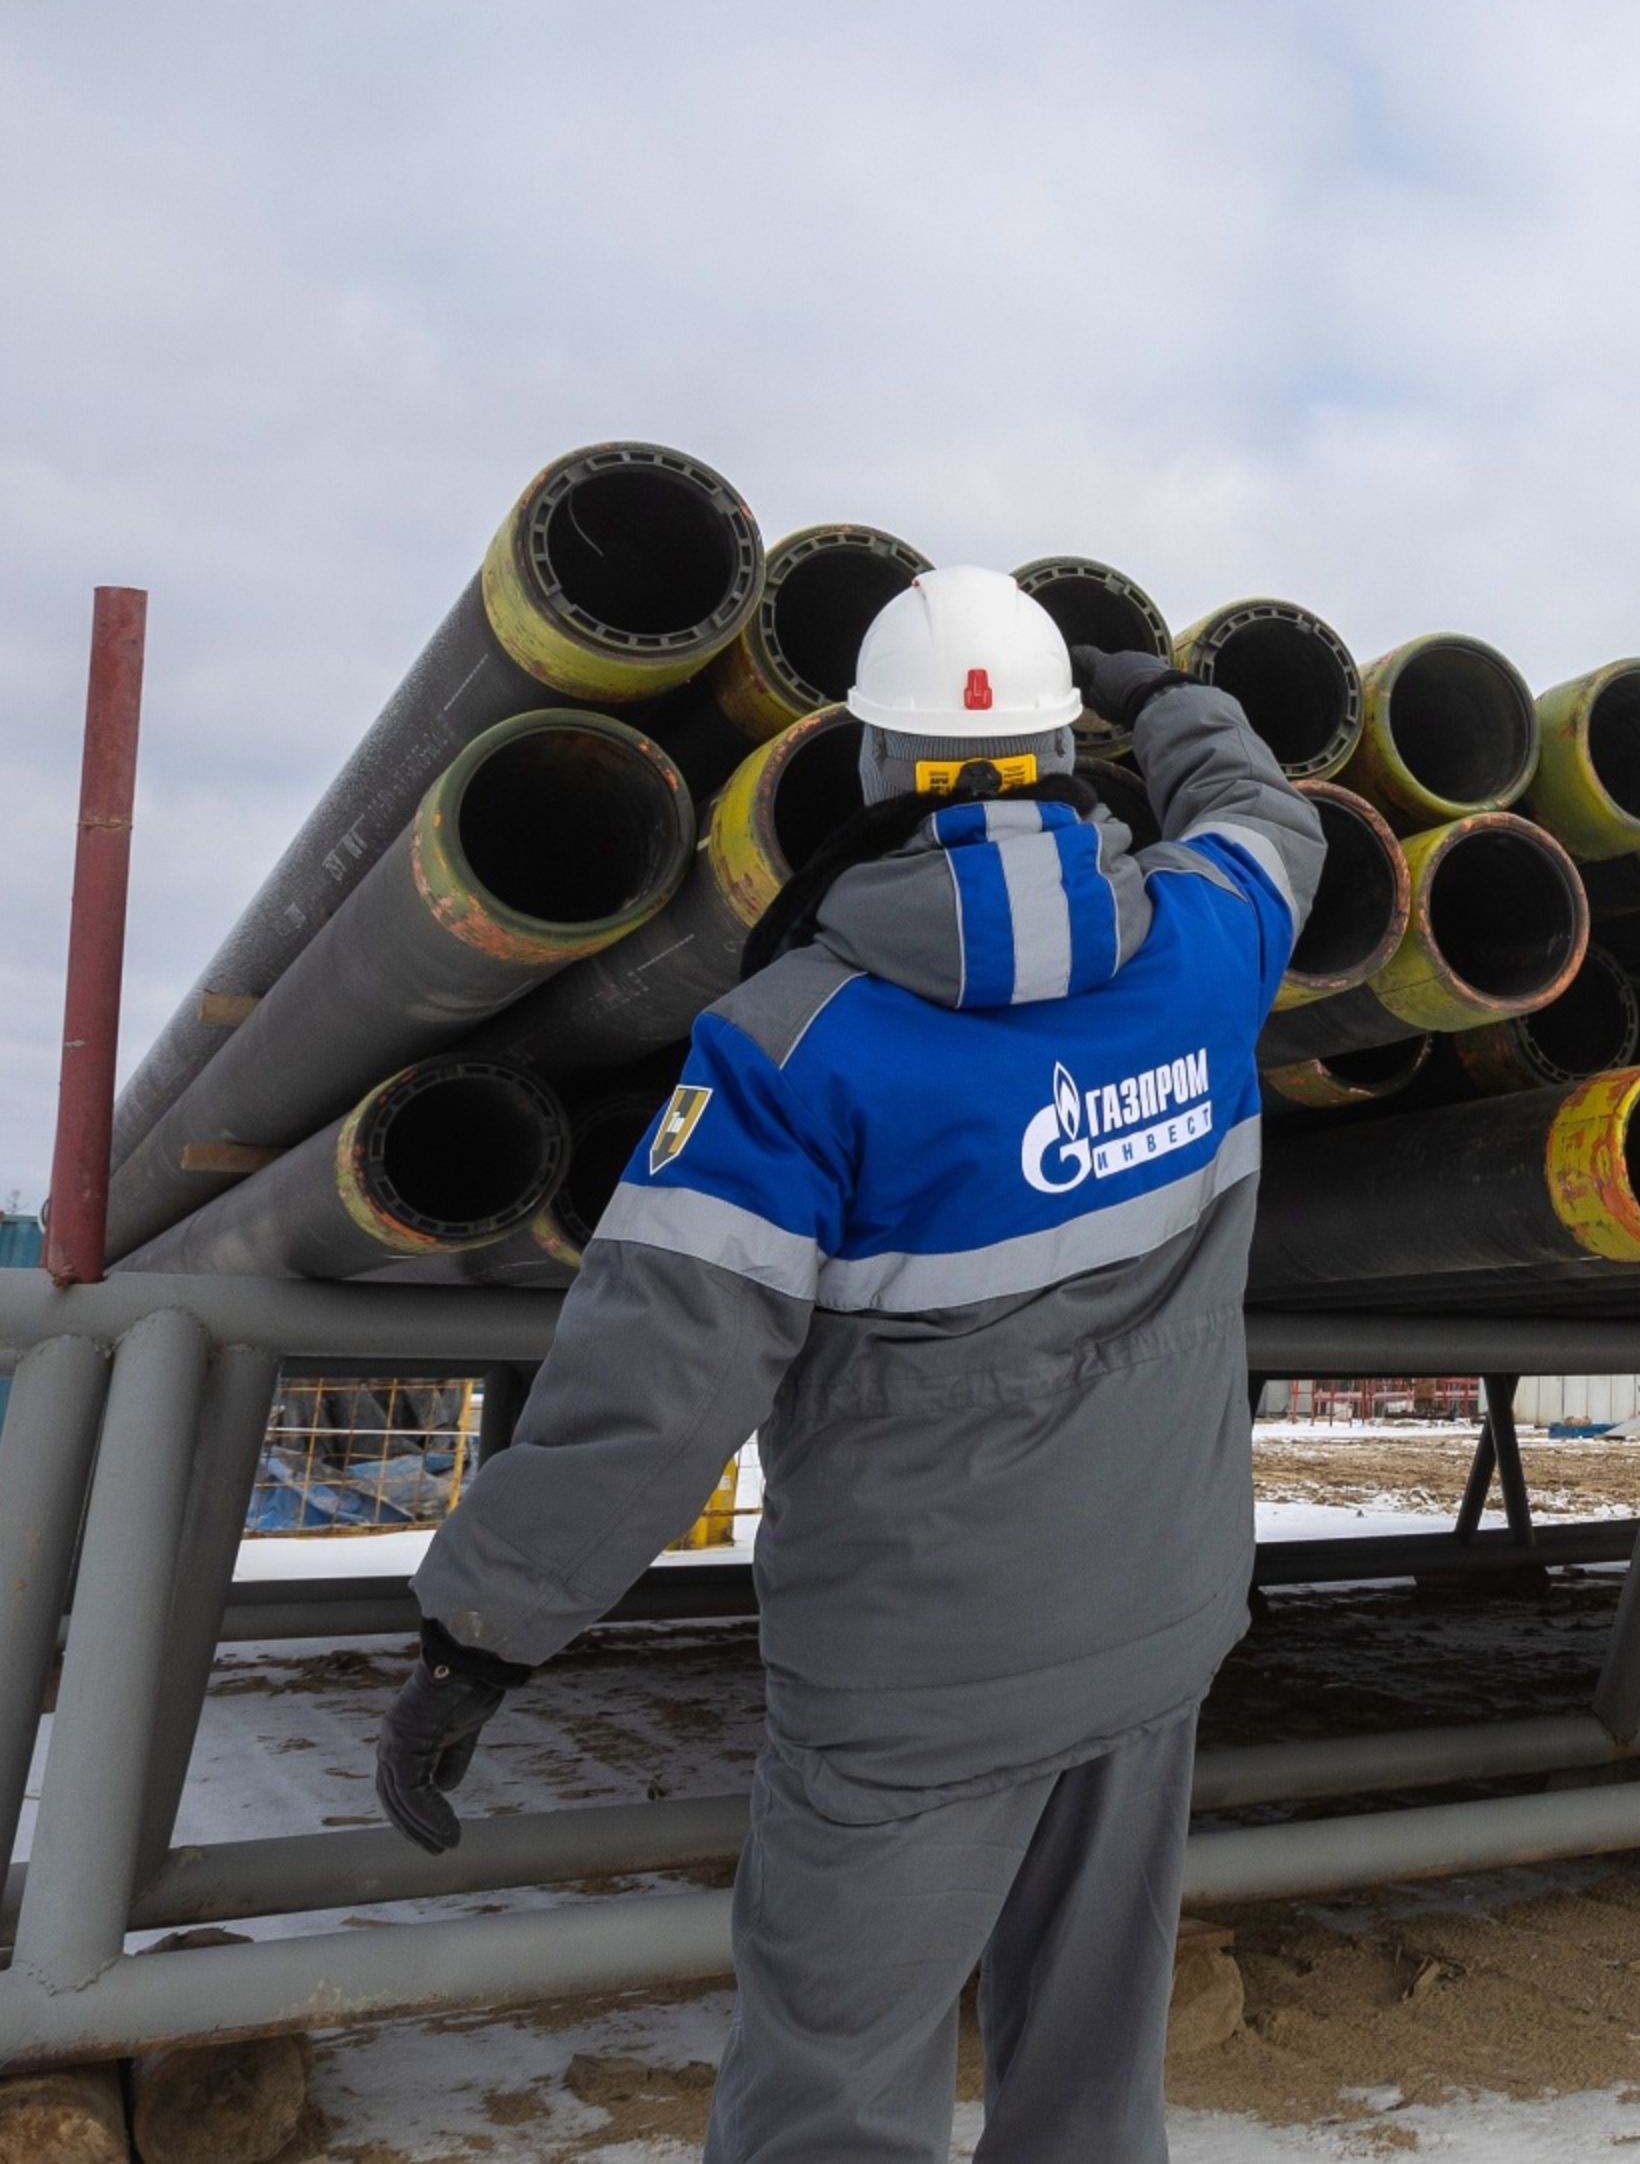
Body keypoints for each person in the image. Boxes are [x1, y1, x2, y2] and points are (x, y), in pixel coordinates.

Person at [377, 564, 1321, 2164]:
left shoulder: (790, 1049)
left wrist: (480, 1635)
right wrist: (1168, 696)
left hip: (914, 1685)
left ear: (875, 763)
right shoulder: (1211, 950)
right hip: (1156, 1629)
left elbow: (651, 1398)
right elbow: (1263, 816)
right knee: (1089, 2085)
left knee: (833, 2092)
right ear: (1060, 754)